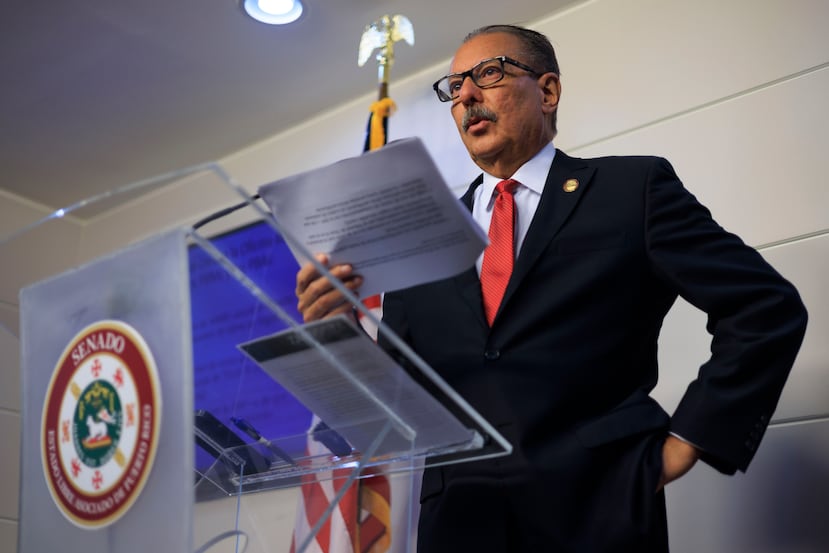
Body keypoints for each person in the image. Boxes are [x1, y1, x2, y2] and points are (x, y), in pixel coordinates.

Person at [295, 24, 808, 552]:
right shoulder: (423, 233)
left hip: (598, 507)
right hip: (460, 521)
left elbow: (764, 306)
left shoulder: (632, 190)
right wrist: (336, 331)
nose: (466, 95)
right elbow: (401, 408)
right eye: (454, 88)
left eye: (488, 74)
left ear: (547, 91)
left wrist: (691, 438)